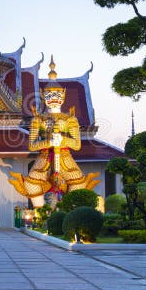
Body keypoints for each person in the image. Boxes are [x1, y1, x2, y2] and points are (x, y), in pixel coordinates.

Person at [9, 57, 99, 207]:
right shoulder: (39, 119)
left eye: (57, 96)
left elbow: (76, 145)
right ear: (44, 97)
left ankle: (70, 215)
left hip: (65, 157)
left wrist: (62, 140)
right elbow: (32, 145)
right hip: (44, 158)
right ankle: (40, 215)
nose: (54, 99)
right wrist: (50, 142)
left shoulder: (70, 119)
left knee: (78, 185)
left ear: (62, 96)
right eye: (50, 96)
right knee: (31, 186)